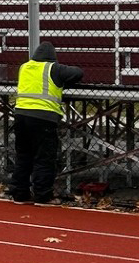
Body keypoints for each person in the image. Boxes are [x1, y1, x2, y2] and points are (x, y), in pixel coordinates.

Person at [10, 40, 84, 204]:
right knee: (44, 158)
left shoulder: (24, 67)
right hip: (43, 118)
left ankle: (19, 194)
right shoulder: (54, 68)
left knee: (23, 156)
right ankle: (42, 195)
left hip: (21, 115)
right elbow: (78, 73)